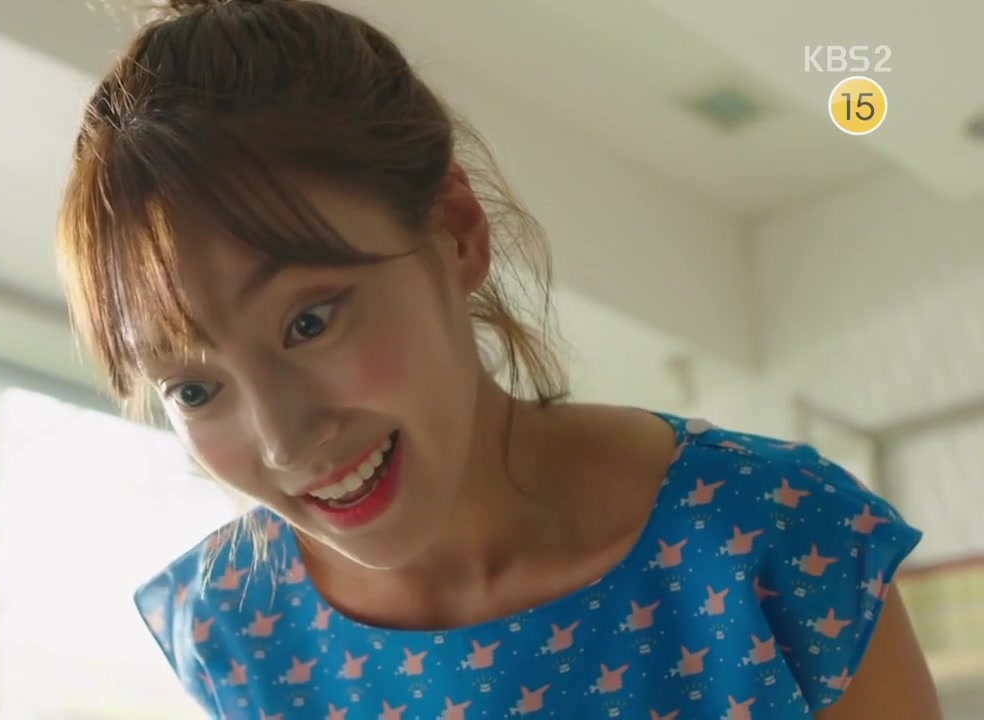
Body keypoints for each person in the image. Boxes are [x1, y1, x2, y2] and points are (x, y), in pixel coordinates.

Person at [55, 0, 941, 717]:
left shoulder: (774, 536)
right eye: (195, 388)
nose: (286, 442)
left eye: (310, 323)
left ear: (456, 231)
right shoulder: (232, 629)